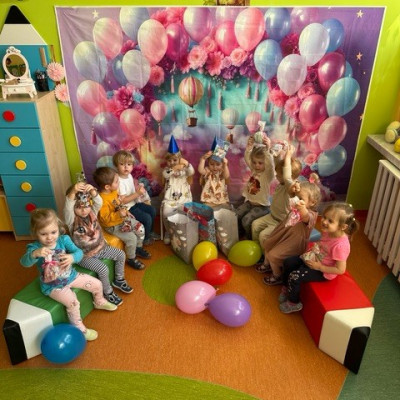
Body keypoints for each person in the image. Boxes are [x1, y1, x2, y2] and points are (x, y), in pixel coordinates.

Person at [20, 208, 117, 342]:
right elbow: (24, 263)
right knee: (73, 303)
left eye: (53, 232)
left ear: (58, 228)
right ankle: (79, 329)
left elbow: (79, 253)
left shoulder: (64, 240)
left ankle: (99, 302)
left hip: (71, 276)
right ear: (35, 232)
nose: (49, 237)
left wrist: (72, 257)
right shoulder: (34, 248)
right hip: (53, 286)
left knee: (97, 283)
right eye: (43, 234)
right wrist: (34, 254)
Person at [278, 202, 360, 313]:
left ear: (343, 227)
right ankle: (286, 287)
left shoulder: (341, 246)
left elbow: (340, 270)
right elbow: (324, 244)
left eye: (330, 221)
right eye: (325, 217)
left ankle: (293, 303)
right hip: (315, 259)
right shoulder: (328, 231)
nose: (324, 222)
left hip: (324, 272)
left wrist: (319, 267)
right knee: (288, 262)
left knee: (295, 276)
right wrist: (317, 247)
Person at [64, 181, 133, 307]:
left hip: (101, 248)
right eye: (79, 207)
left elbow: (99, 202)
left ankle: (119, 279)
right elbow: (68, 206)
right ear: (74, 207)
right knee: (103, 269)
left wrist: (92, 192)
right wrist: (73, 191)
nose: (84, 210)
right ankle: (107, 292)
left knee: (121, 254)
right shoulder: (71, 219)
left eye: (86, 206)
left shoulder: (93, 212)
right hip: (84, 256)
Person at [262, 176, 321, 286]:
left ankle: (277, 275)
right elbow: (290, 191)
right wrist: (295, 186)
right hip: (283, 234)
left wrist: (301, 207)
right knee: (268, 245)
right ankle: (267, 265)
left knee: (273, 256)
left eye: (300, 198)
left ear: (312, 203)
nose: (296, 199)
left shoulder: (312, 215)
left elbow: (305, 216)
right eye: (296, 196)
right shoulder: (295, 206)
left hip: (294, 243)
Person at [252, 144, 302, 271]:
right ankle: (259, 253)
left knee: (263, 235)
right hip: (272, 216)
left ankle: (267, 261)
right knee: (255, 225)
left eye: (278, 175)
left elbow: (286, 176)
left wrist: (288, 156)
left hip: (281, 223)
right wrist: (277, 155)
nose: (276, 176)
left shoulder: (290, 188)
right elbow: (279, 168)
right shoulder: (282, 183)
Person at [93, 166, 151, 270]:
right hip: (113, 226)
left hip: (123, 219)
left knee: (140, 227)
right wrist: (119, 214)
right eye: (116, 182)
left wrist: (126, 211)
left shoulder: (114, 192)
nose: (119, 183)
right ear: (107, 187)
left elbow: (119, 204)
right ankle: (131, 258)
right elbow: (104, 219)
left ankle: (137, 248)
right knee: (132, 238)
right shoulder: (102, 200)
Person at [113, 150, 160, 246]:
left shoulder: (129, 176)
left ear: (132, 166)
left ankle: (150, 232)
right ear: (116, 165)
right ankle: (145, 239)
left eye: (129, 164)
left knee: (152, 210)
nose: (126, 167)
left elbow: (131, 191)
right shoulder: (118, 181)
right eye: (122, 164)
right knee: (147, 218)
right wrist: (138, 193)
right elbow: (123, 201)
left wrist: (138, 189)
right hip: (127, 208)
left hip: (134, 203)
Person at [236, 134, 275, 239]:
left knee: (246, 220)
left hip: (262, 207)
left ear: (265, 163)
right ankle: (240, 235)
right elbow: (247, 158)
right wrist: (249, 147)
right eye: (254, 162)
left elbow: (270, 165)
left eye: (260, 163)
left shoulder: (268, 175)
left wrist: (268, 149)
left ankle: (250, 238)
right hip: (250, 203)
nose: (256, 165)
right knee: (236, 215)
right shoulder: (254, 170)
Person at [161, 135, 195, 245]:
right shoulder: (167, 170)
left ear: (180, 159)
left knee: (187, 214)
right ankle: (169, 231)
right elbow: (165, 175)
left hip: (184, 198)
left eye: (175, 160)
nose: (172, 162)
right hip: (170, 200)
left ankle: (185, 231)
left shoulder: (185, 169)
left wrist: (187, 164)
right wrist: (174, 168)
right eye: (169, 160)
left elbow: (192, 172)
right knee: (166, 213)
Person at [198, 139, 230, 209]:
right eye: (212, 164)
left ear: (222, 164)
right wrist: (203, 159)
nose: (215, 167)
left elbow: (226, 176)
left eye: (218, 164)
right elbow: (200, 170)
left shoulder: (222, 171)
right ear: (208, 162)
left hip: (221, 199)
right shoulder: (207, 171)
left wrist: (225, 165)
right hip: (209, 199)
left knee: (226, 209)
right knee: (205, 209)